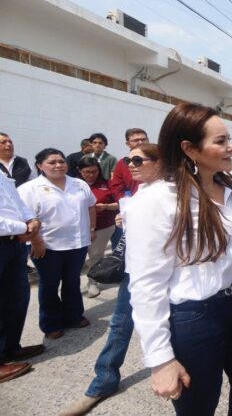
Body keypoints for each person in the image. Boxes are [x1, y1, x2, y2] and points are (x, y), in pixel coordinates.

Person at [126, 103, 232, 416]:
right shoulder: (156, 201)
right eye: (220, 141)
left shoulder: (228, 188)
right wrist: (160, 360)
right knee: (199, 401)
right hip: (194, 316)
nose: (231, 147)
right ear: (189, 148)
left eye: (229, 139)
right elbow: (146, 285)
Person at [60, 143, 162, 416]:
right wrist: (124, 220)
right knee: (120, 324)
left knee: (176, 327)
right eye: (129, 160)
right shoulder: (140, 193)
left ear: (161, 163)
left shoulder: (175, 193)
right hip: (135, 271)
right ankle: (104, 381)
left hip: (167, 274)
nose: (130, 165)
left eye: (138, 161)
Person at [18, 148, 96, 339]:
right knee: (50, 284)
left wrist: (92, 229)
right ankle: (51, 324)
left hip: (77, 243)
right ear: (40, 166)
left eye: (61, 161)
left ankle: (74, 316)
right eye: (52, 162)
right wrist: (36, 242)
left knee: (72, 281)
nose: (58, 165)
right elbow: (26, 219)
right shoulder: (29, 189)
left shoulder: (79, 184)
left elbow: (91, 205)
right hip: (46, 246)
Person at [0, 171, 44, 383]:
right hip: (11, 234)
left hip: (13, 243)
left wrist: (31, 219)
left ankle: (9, 348)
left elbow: (15, 202)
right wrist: (23, 227)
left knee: (16, 298)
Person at [78, 157, 118, 298]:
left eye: (94, 171)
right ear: (79, 171)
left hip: (103, 227)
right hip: (78, 228)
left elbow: (119, 204)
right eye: (87, 172)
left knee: (96, 256)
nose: (91, 175)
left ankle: (92, 282)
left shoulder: (107, 184)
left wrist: (106, 206)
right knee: (77, 259)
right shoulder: (73, 185)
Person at [108, 128, 148, 256]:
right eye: (135, 140)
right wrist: (128, 206)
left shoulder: (160, 160)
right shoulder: (122, 163)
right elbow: (116, 186)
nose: (140, 142)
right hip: (131, 211)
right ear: (128, 144)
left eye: (143, 139)